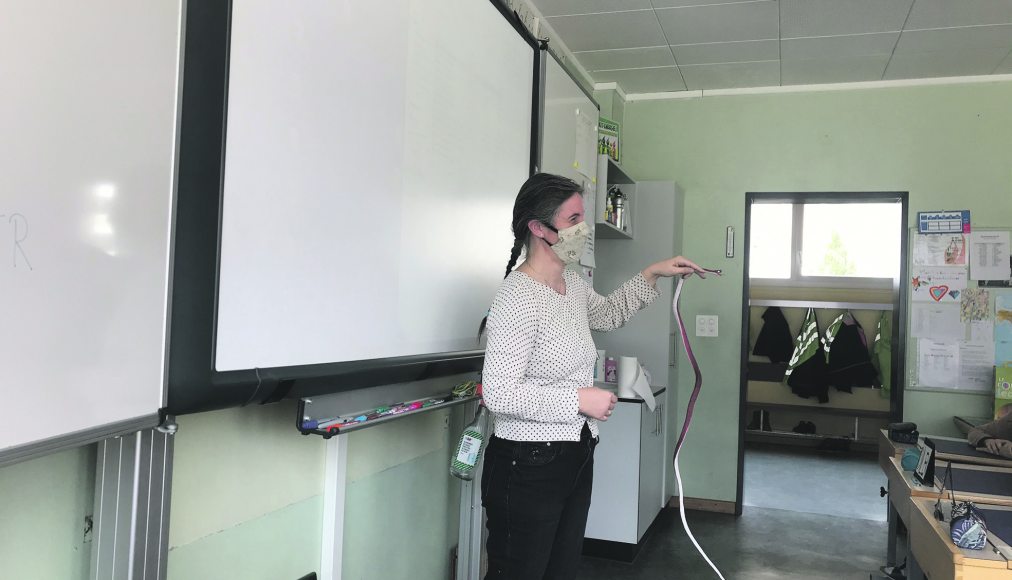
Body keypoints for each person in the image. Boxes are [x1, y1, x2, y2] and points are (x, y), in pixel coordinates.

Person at [479, 173, 705, 580]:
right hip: (526, 464)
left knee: (560, 570)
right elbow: (498, 392)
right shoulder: (517, 296)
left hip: (575, 452)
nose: (583, 229)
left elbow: (608, 314)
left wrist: (652, 273)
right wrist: (578, 401)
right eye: (574, 219)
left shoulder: (572, 284)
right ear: (538, 228)